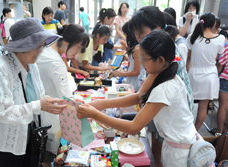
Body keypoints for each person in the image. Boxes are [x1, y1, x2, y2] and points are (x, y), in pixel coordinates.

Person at [88, 6, 194, 167]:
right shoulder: (163, 65)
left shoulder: (164, 83)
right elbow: (141, 96)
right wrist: (101, 104)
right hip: (174, 137)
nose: (137, 38)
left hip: (178, 145)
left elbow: (134, 126)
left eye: (144, 59)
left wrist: (95, 114)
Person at [0, 18, 67, 167]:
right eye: (38, 47)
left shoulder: (31, 66)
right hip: (5, 142)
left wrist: (56, 103)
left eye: (42, 46)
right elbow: (3, 112)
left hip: (28, 135)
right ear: (23, 47)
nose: (41, 51)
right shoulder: (0, 68)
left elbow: (39, 96)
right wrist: (39, 105)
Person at [36, 24, 89, 166]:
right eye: (78, 47)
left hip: (39, 110)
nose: (78, 52)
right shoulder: (56, 62)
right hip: (50, 116)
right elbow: (67, 98)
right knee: (49, 157)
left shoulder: (45, 49)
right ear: (68, 41)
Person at [186, 12, 225, 131]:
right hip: (210, 76)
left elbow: (188, 59)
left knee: (188, 106)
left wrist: (188, 75)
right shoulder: (221, 38)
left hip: (194, 74)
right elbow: (215, 59)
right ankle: (195, 132)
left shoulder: (192, 37)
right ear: (214, 24)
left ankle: (185, 130)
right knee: (203, 108)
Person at [113, 21, 146, 92]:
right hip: (133, 82)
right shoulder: (135, 48)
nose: (125, 37)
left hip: (136, 82)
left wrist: (122, 73)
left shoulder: (137, 49)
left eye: (125, 34)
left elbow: (137, 71)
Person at [217, 40, 228, 136]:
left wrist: (216, 75)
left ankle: (219, 132)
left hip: (225, 80)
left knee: (223, 107)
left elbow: (221, 63)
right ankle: (226, 131)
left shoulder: (227, 46)